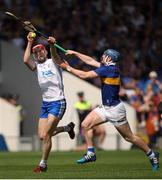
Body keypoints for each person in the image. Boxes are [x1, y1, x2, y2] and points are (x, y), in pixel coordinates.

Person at [60, 49, 159, 171]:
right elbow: (90, 60)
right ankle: (91, 153)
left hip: (115, 110)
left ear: (110, 58)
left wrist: (68, 68)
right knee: (85, 125)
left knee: (129, 137)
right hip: (105, 108)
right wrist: (75, 53)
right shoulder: (108, 67)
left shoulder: (108, 69)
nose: (102, 56)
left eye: (105, 55)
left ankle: (152, 155)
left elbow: (84, 75)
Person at [23, 32, 75, 173]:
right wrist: (29, 42)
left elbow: (56, 56)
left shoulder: (53, 62)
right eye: (36, 52)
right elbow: (25, 60)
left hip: (58, 102)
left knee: (46, 134)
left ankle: (43, 164)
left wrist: (52, 45)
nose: (38, 53)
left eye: (40, 50)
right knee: (42, 135)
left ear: (45, 52)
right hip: (45, 104)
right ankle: (67, 128)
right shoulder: (37, 67)